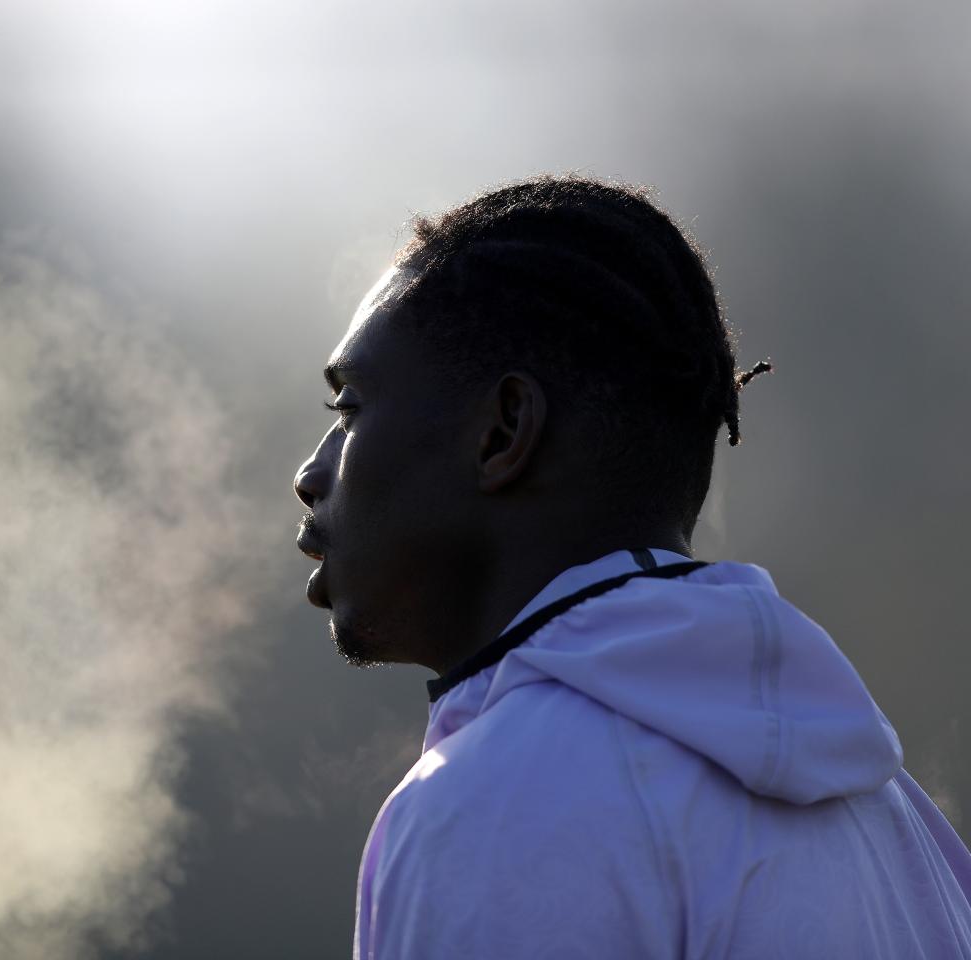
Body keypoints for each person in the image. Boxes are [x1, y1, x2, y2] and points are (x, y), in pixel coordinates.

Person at [292, 174, 971, 958]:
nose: (310, 474)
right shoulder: (894, 820)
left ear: (503, 430)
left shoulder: (495, 810)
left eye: (348, 412)